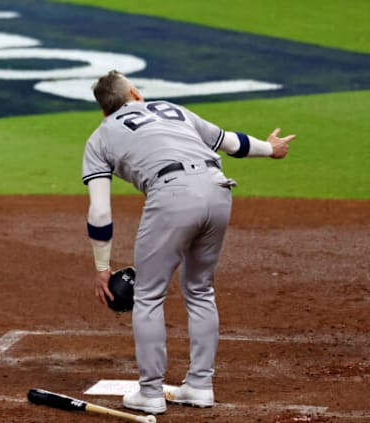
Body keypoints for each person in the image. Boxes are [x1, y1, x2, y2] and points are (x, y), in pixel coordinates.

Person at [81, 70, 296, 414]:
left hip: (172, 196)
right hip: (219, 188)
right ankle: (199, 386)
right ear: (134, 93)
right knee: (199, 289)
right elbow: (231, 142)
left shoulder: (100, 137)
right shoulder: (172, 110)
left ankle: (150, 392)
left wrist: (102, 268)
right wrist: (271, 148)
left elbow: (100, 212)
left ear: (103, 110)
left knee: (148, 295)